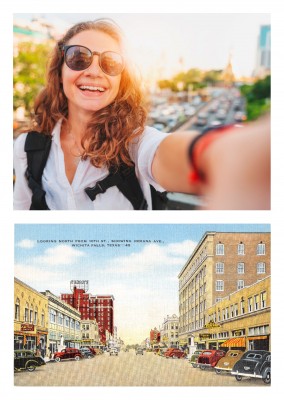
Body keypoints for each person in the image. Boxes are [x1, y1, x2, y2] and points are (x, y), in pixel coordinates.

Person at [13, 18, 270, 210]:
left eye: (110, 62)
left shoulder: (134, 144)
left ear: (121, 79)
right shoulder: (27, 147)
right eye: (78, 57)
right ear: (60, 70)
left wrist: (222, 153)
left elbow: (165, 152)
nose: (94, 71)